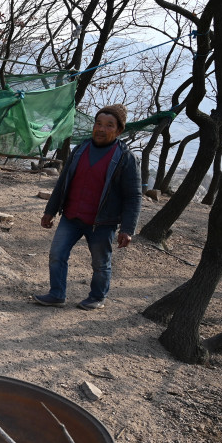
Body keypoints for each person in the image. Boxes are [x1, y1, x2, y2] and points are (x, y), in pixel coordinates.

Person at [34, 104, 141, 310]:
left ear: (119, 130)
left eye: (109, 125)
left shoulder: (125, 158)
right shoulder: (80, 149)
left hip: (102, 222)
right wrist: (50, 211)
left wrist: (127, 229)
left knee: (100, 264)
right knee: (57, 254)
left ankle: (97, 297)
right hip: (71, 217)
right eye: (98, 123)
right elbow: (63, 181)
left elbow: (133, 196)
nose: (101, 129)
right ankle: (57, 294)